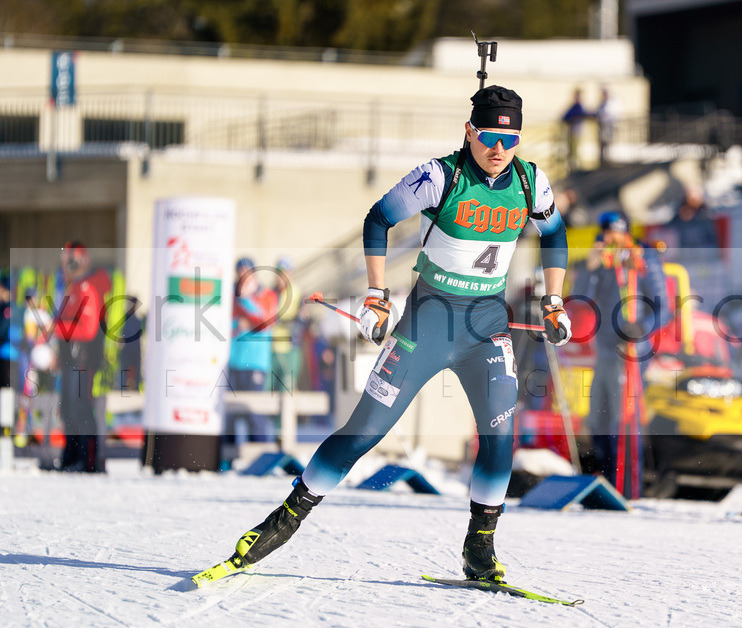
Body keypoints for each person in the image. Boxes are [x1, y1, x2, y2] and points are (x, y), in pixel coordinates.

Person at [211, 85, 571, 583]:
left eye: (509, 141)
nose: (498, 150)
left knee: (499, 438)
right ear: (469, 131)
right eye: (489, 136)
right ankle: (282, 520)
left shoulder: (532, 181)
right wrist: (376, 294)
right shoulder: (438, 177)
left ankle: (479, 548)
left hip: (486, 327)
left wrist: (553, 301)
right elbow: (377, 219)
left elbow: (554, 236)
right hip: (426, 324)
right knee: (365, 432)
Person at [572, 210, 668, 499]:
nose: (611, 239)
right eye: (606, 233)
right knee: (597, 416)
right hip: (604, 347)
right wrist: (589, 268)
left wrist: (643, 326)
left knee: (621, 417)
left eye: (616, 232)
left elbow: (664, 306)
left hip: (631, 348)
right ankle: (603, 478)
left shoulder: (642, 257)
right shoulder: (602, 260)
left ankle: (625, 485)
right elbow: (581, 299)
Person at [49, 242, 105, 472]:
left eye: (69, 260)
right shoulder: (73, 288)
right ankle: (70, 458)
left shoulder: (87, 288)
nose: (65, 266)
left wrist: (56, 329)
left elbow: (88, 330)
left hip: (83, 361)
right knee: (69, 410)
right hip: (70, 360)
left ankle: (86, 460)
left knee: (80, 410)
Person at [228, 257, 274, 443]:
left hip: (255, 362)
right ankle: (226, 459)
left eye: (247, 274)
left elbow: (265, 321)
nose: (243, 279)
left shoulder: (266, 295)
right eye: (240, 275)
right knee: (230, 412)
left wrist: (246, 300)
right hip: (234, 361)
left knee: (254, 411)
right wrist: (240, 324)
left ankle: (259, 453)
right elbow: (227, 324)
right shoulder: (231, 294)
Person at [269, 257, 302, 393]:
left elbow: (301, 320)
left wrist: (280, 321)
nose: (281, 277)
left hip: (290, 348)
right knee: (270, 389)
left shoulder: (296, 292)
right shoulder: (271, 292)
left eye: (285, 272)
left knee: (286, 389)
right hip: (272, 348)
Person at [562, 88, 589, 173]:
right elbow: (565, 117)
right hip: (572, 131)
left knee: (575, 150)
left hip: (576, 131)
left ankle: (575, 167)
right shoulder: (575, 107)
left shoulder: (578, 107)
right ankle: (573, 167)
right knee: (572, 150)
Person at [595, 86, 620, 167]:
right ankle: (603, 161)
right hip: (602, 126)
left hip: (608, 126)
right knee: (603, 145)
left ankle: (607, 161)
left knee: (607, 143)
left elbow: (609, 114)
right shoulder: (602, 103)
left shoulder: (610, 103)